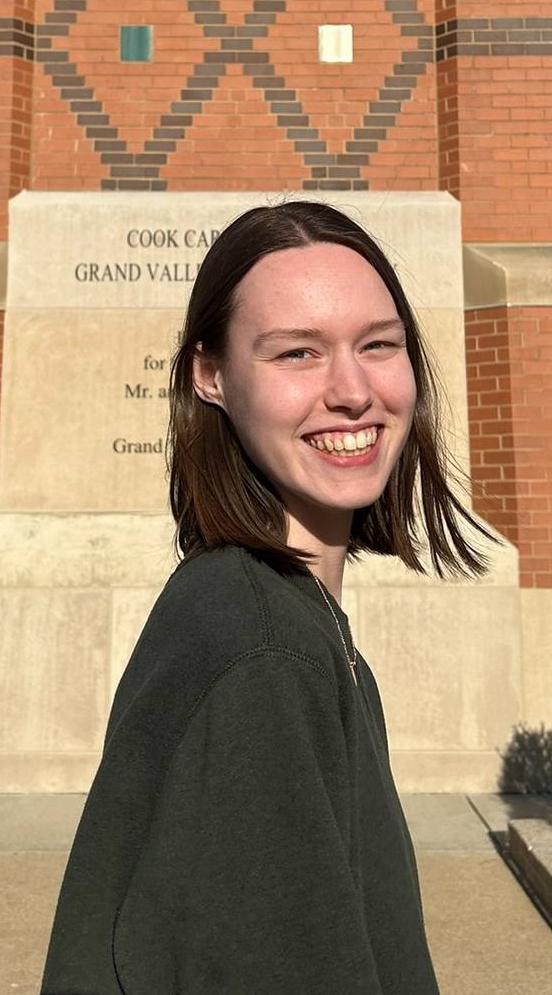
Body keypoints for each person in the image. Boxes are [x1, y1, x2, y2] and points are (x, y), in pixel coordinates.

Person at [39, 200, 497, 994]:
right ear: (209, 376)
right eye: (297, 354)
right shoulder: (260, 653)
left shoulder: (291, 620)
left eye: (378, 345)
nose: (352, 391)